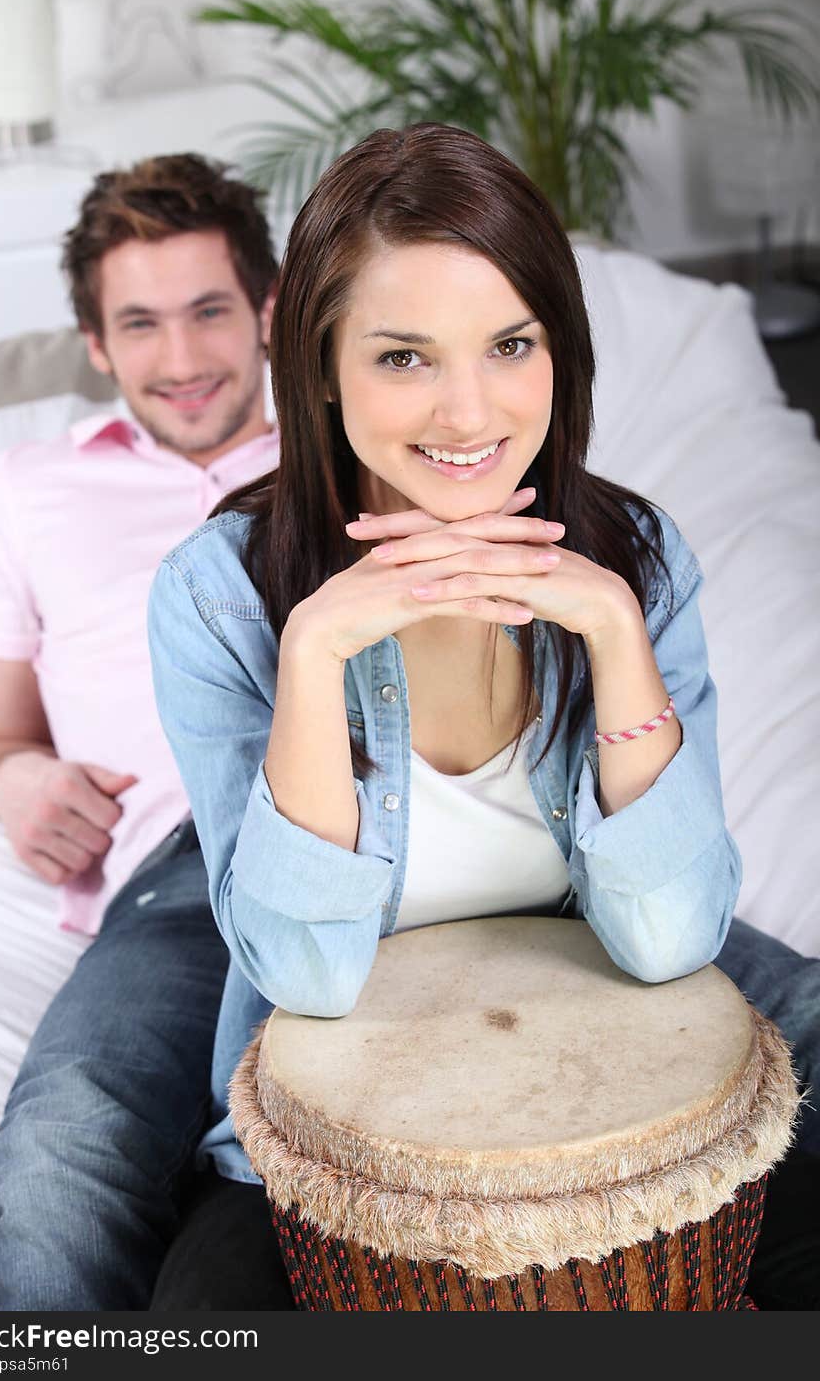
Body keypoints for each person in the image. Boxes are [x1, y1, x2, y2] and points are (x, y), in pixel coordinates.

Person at [147, 122, 820, 1309]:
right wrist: (313, 655)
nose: (468, 413)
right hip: (324, 1153)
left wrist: (613, 633)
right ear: (316, 368)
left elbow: (669, 938)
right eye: (404, 357)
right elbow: (303, 968)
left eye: (509, 343)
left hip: (618, 1127)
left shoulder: (640, 563)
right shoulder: (217, 597)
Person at [0, 153, 279, 1310]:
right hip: (179, 869)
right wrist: (17, 779)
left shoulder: (360, 449)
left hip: (401, 815)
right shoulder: (23, 489)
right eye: (139, 323)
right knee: (58, 1163)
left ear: (269, 309)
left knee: (777, 1017)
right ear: (96, 344)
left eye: (208, 312)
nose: (183, 360)